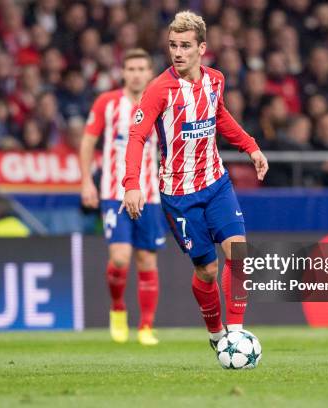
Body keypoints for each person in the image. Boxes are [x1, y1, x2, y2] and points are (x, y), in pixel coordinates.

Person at [120, 11, 268, 353]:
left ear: (202, 48)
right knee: (207, 270)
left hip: (216, 183)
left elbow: (220, 117)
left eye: (185, 46)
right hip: (179, 194)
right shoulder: (159, 90)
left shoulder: (215, 80)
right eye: (173, 45)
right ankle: (216, 333)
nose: (178, 52)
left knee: (239, 253)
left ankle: (235, 333)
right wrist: (131, 183)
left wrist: (250, 146)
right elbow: (137, 136)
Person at [80, 48, 165, 346]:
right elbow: (88, 141)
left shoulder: (161, 100)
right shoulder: (107, 103)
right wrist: (86, 182)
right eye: (131, 68)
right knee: (119, 257)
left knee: (146, 259)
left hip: (150, 195)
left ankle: (145, 326)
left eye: (142, 68)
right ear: (123, 73)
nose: (136, 74)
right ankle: (117, 309)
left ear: (150, 73)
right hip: (113, 193)